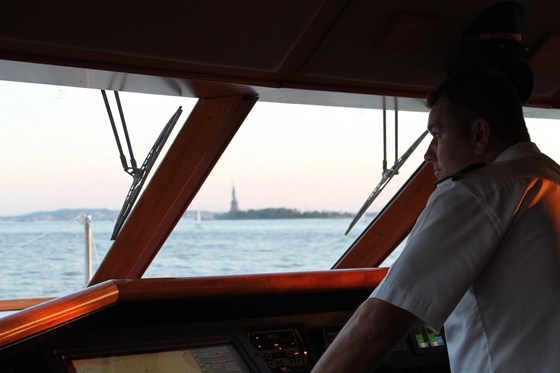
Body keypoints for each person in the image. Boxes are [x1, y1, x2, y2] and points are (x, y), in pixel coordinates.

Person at [311, 70, 560, 372]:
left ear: (479, 134)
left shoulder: (474, 191)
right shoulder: (550, 179)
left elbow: (378, 326)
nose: (429, 154)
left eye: (437, 135)